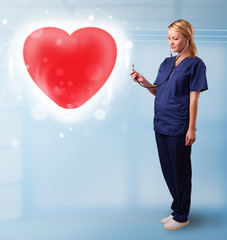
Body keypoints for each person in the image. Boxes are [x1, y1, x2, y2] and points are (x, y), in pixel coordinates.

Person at [130, 19, 208, 230]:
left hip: (179, 126)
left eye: (175, 38)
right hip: (161, 124)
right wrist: (142, 80)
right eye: (169, 39)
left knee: (180, 171)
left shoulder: (195, 64)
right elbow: (158, 90)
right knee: (168, 170)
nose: (171, 43)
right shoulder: (166, 63)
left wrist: (191, 128)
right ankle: (176, 209)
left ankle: (182, 216)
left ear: (187, 39)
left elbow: (194, 98)